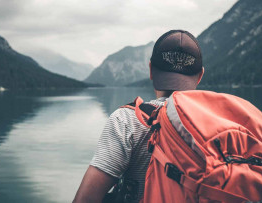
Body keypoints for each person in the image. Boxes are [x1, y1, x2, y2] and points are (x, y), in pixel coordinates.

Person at [73, 30, 205, 203]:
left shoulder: (126, 120)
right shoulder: (221, 125)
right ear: (200, 76)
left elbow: (85, 200)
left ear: (150, 70)